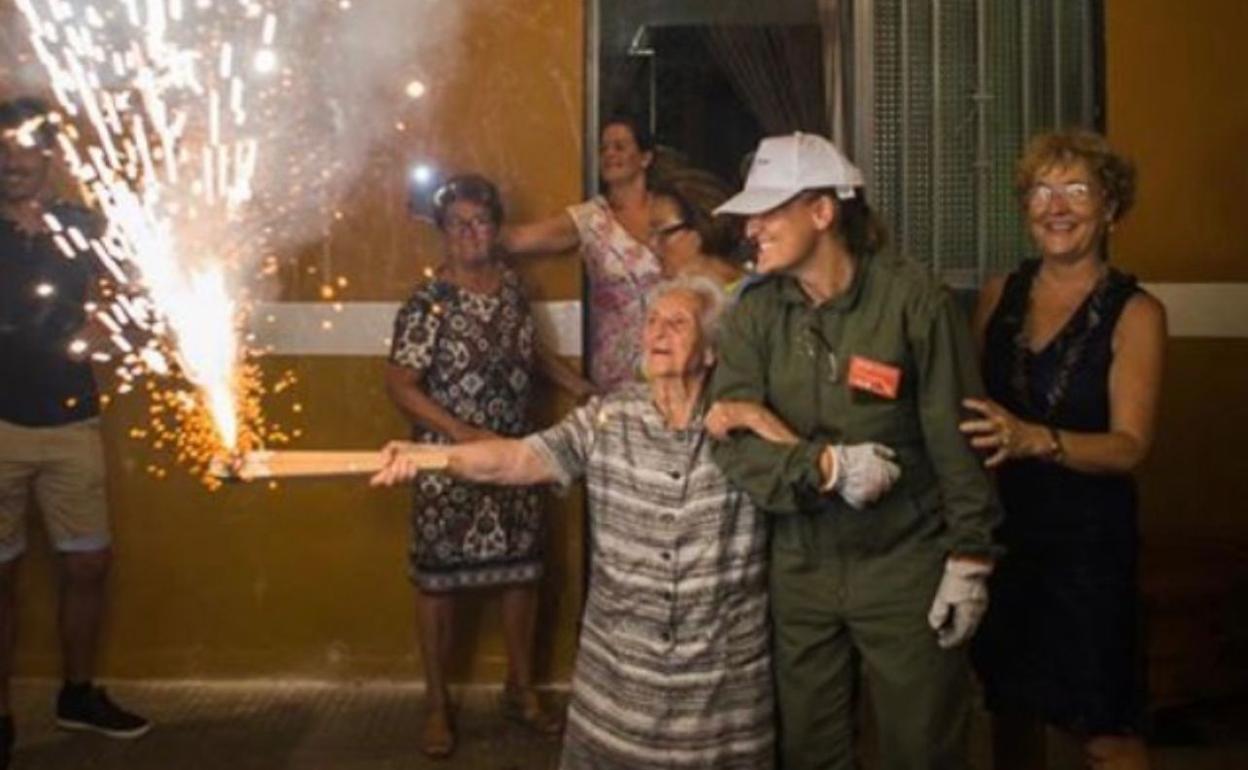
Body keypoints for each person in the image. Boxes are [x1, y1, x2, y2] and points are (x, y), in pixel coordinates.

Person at [375, 276, 897, 768]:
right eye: (651, 322)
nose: (658, 333)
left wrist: (757, 420)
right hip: (620, 686)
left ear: (712, 351)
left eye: (678, 324)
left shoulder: (738, 419)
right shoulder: (608, 416)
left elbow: (810, 479)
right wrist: (427, 457)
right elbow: (517, 459)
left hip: (721, 690)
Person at [706, 132, 1001, 770]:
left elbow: (959, 441)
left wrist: (971, 556)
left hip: (904, 563)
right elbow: (732, 444)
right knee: (810, 749)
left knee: (921, 746)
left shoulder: (914, 302)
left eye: (768, 210)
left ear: (822, 211)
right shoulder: (756, 314)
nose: (752, 228)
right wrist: (827, 468)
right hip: (801, 565)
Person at [962, 130, 1165, 770]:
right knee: (1011, 710)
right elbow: (966, 412)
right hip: (1007, 535)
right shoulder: (1000, 294)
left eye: (1077, 190)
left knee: (1105, 726)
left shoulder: (1136, 312)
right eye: (1043, 190)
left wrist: (1036, 440)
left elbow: (1129, 447)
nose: (1057, 205)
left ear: (1110, 208)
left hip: (1089, 549)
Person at [385, 173, 593, 758]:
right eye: (460, 226)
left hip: (516, 457)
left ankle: (521, 690)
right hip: (447, 463)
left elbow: (530, 350)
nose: (472, 235)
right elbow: (399, 384)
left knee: (522, 573)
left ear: (495, 230)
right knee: (438, 584)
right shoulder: (428, 303)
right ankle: (436, 705)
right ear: (444, 235)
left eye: (482, 224)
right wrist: (459, 433)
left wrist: (579, 386)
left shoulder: (510, 288)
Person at [0, 98, 151, 768]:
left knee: (88, 564)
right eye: (1, 149)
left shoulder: (81, 224)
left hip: (70, 422)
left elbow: (145, 300)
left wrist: (110, 331)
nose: (10, 162)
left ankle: (78, 694)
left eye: (23, 149)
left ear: (50, 156)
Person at [502, 115, 664, 392]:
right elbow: (517, 239)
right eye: (604, 148)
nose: (610, 154)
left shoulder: (670, 212)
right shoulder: (591, 219)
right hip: (618, 371)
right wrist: (456, 219)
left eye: (620, 146)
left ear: (645, 158)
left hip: (672, 359)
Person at [647, 170, 746, 292]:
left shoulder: (752, 299)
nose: (652, 244)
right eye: (652, 233)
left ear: (701, 228)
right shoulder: (670, 298)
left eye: (663, 232)